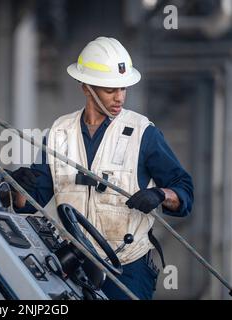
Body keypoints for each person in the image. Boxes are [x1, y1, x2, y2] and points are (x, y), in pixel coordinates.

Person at [11, 36, 194, 300]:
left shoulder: (144, 133)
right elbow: (30, 201)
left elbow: (184, 190)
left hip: (128, 269)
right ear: (86, 87)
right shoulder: (59, 133)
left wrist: (161, 195)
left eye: (123, 88)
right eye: (111, 90)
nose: (119, 97)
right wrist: (18, 186)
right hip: (73, 264)